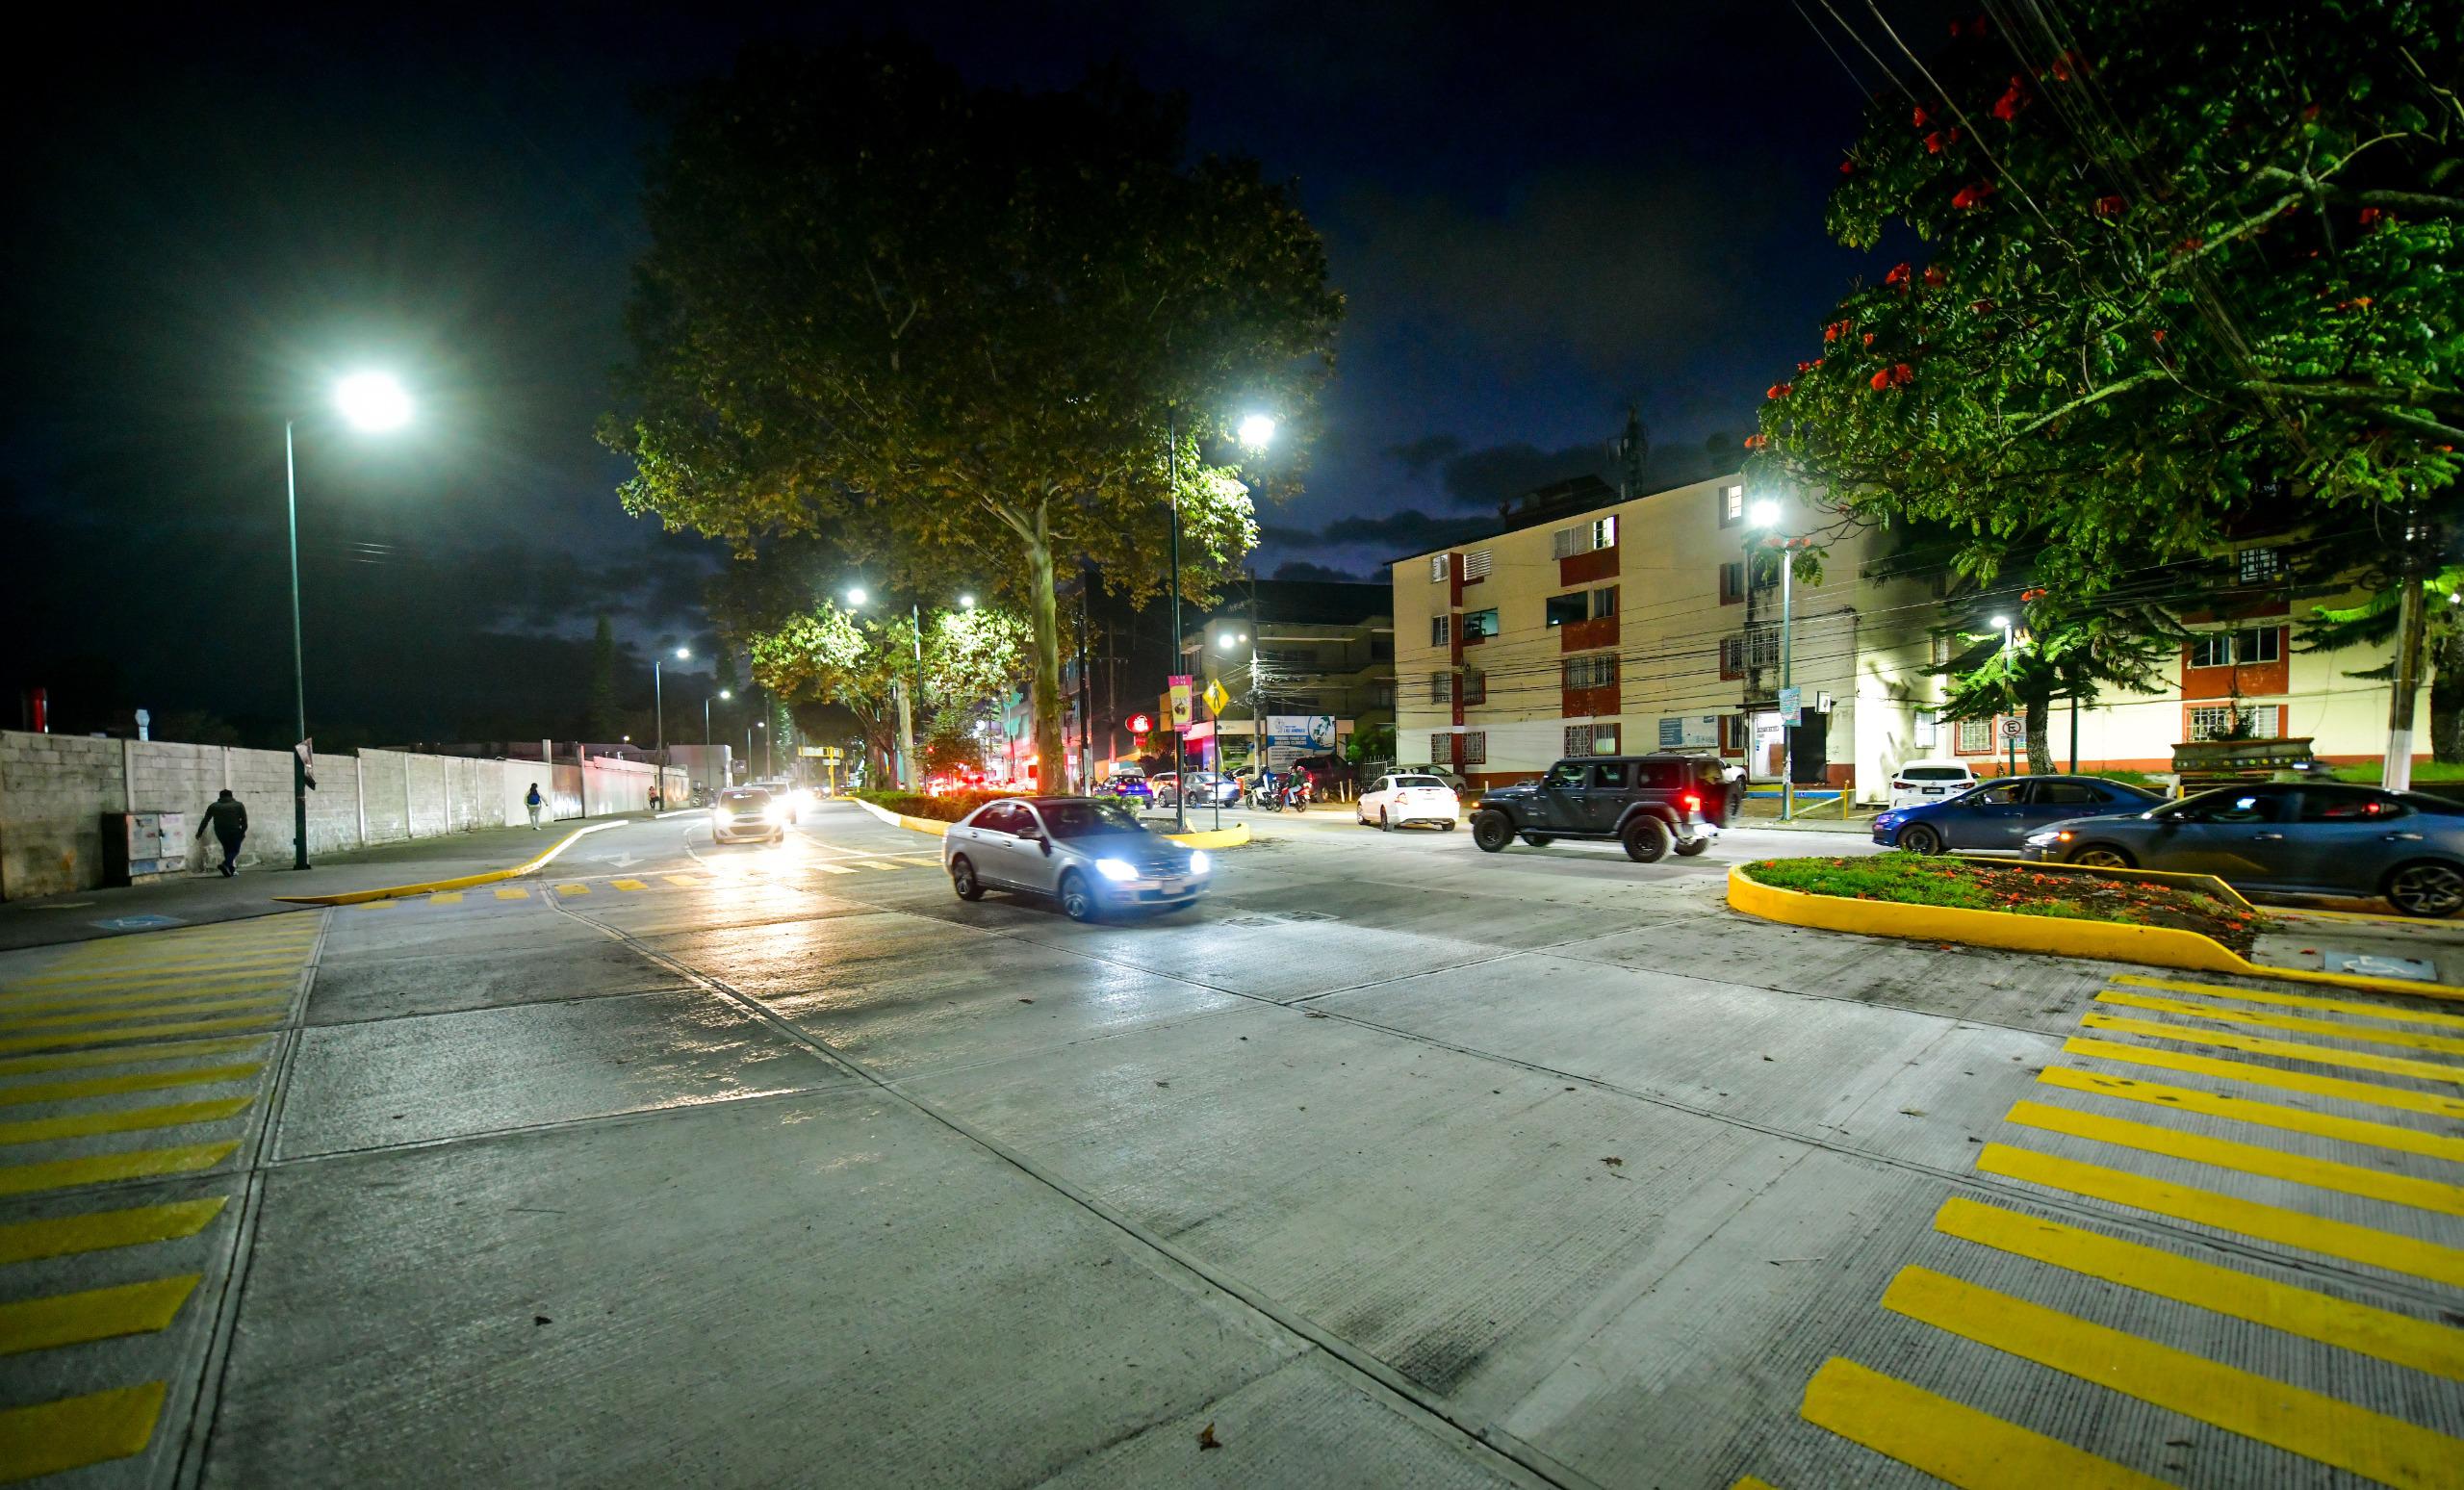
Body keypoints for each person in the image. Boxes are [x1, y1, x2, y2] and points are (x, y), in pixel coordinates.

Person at [197, 789, 247, 877]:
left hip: (220, 831)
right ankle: (225, 864)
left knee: (227, 849)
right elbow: (244, 820)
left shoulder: (213, 806)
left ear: (220, 796)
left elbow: (205, 820)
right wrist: (243, 831)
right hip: (234, 830)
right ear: (231, 796)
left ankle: (231, 870)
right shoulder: (238, 805)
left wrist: (200, 832)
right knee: (235, 850)